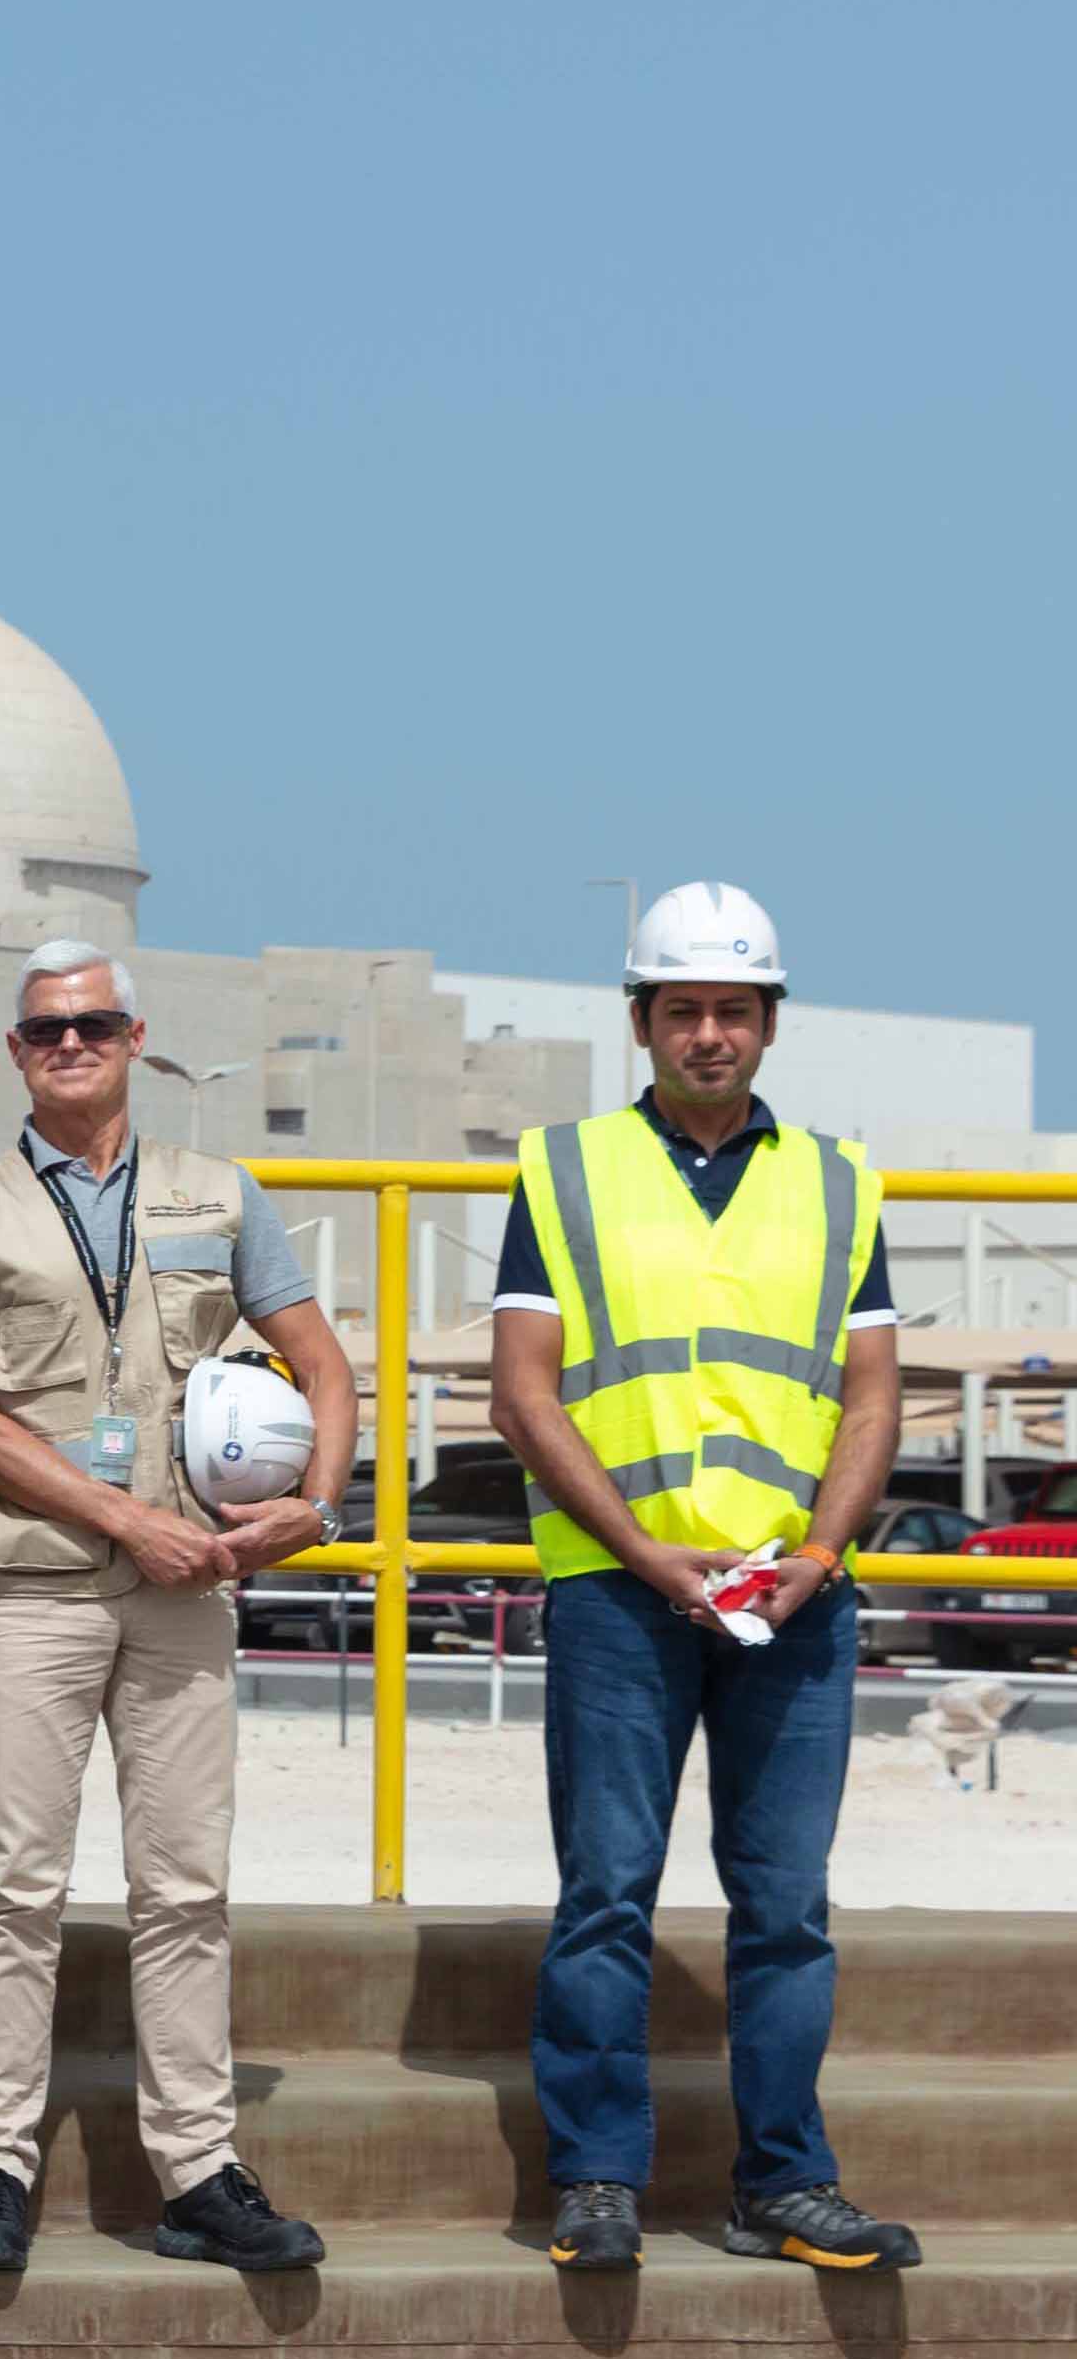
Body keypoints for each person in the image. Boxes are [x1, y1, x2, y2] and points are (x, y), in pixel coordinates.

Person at [491, 882, 918, 2275]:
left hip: (793, 1596)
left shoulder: (841, 1178)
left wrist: (818, 1552)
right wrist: (640, 1549)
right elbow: (525, 1393)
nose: (711, 1032)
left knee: (785, 1903)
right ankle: (599, 2176)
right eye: (684, 1008)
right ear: (641, 1020)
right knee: (608, 1889)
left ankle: (783, 2181)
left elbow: (869, 1398)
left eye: (735, 1008)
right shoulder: (563, 1169)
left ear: (772, 1021)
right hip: (625, 1591)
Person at [0, 941, 351, 2275]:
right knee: (19, 1880)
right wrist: (129, 1521)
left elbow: (324, 1363)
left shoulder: (220, 1193)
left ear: (137, 1036)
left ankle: (200, 2168)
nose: (72, 1043)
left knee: (184, 1884)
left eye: (94, 1023)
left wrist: (315, 1502)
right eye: (47, 1030)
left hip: (184, 1596)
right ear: (17, 1050)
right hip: (38, 1587)